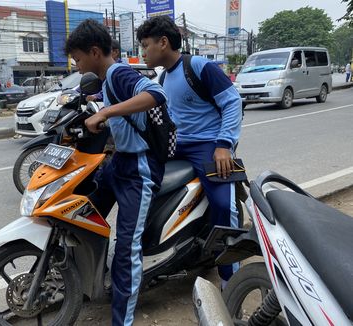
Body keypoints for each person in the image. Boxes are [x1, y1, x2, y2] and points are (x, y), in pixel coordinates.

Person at [65, 19, 167, 326]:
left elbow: (155, 94)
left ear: (95, 52)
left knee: (126, 248)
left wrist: (107, 112)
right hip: (119, 162)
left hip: (139, 168)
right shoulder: (106, 80)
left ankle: (122, 320)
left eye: (78, 58)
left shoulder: (119, 72)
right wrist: (99, 109)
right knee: (82, 213)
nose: (76, 64)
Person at [136, 16, 242, 288]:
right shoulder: (162, 77)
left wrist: (224, 145)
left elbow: (232, 103)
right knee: (136, 179)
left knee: (223, 205)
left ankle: (232, 277)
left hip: (207, 144)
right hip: (175, 145)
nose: (143, 52)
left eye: (145, 45)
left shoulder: (198, 66)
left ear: (163, 42)